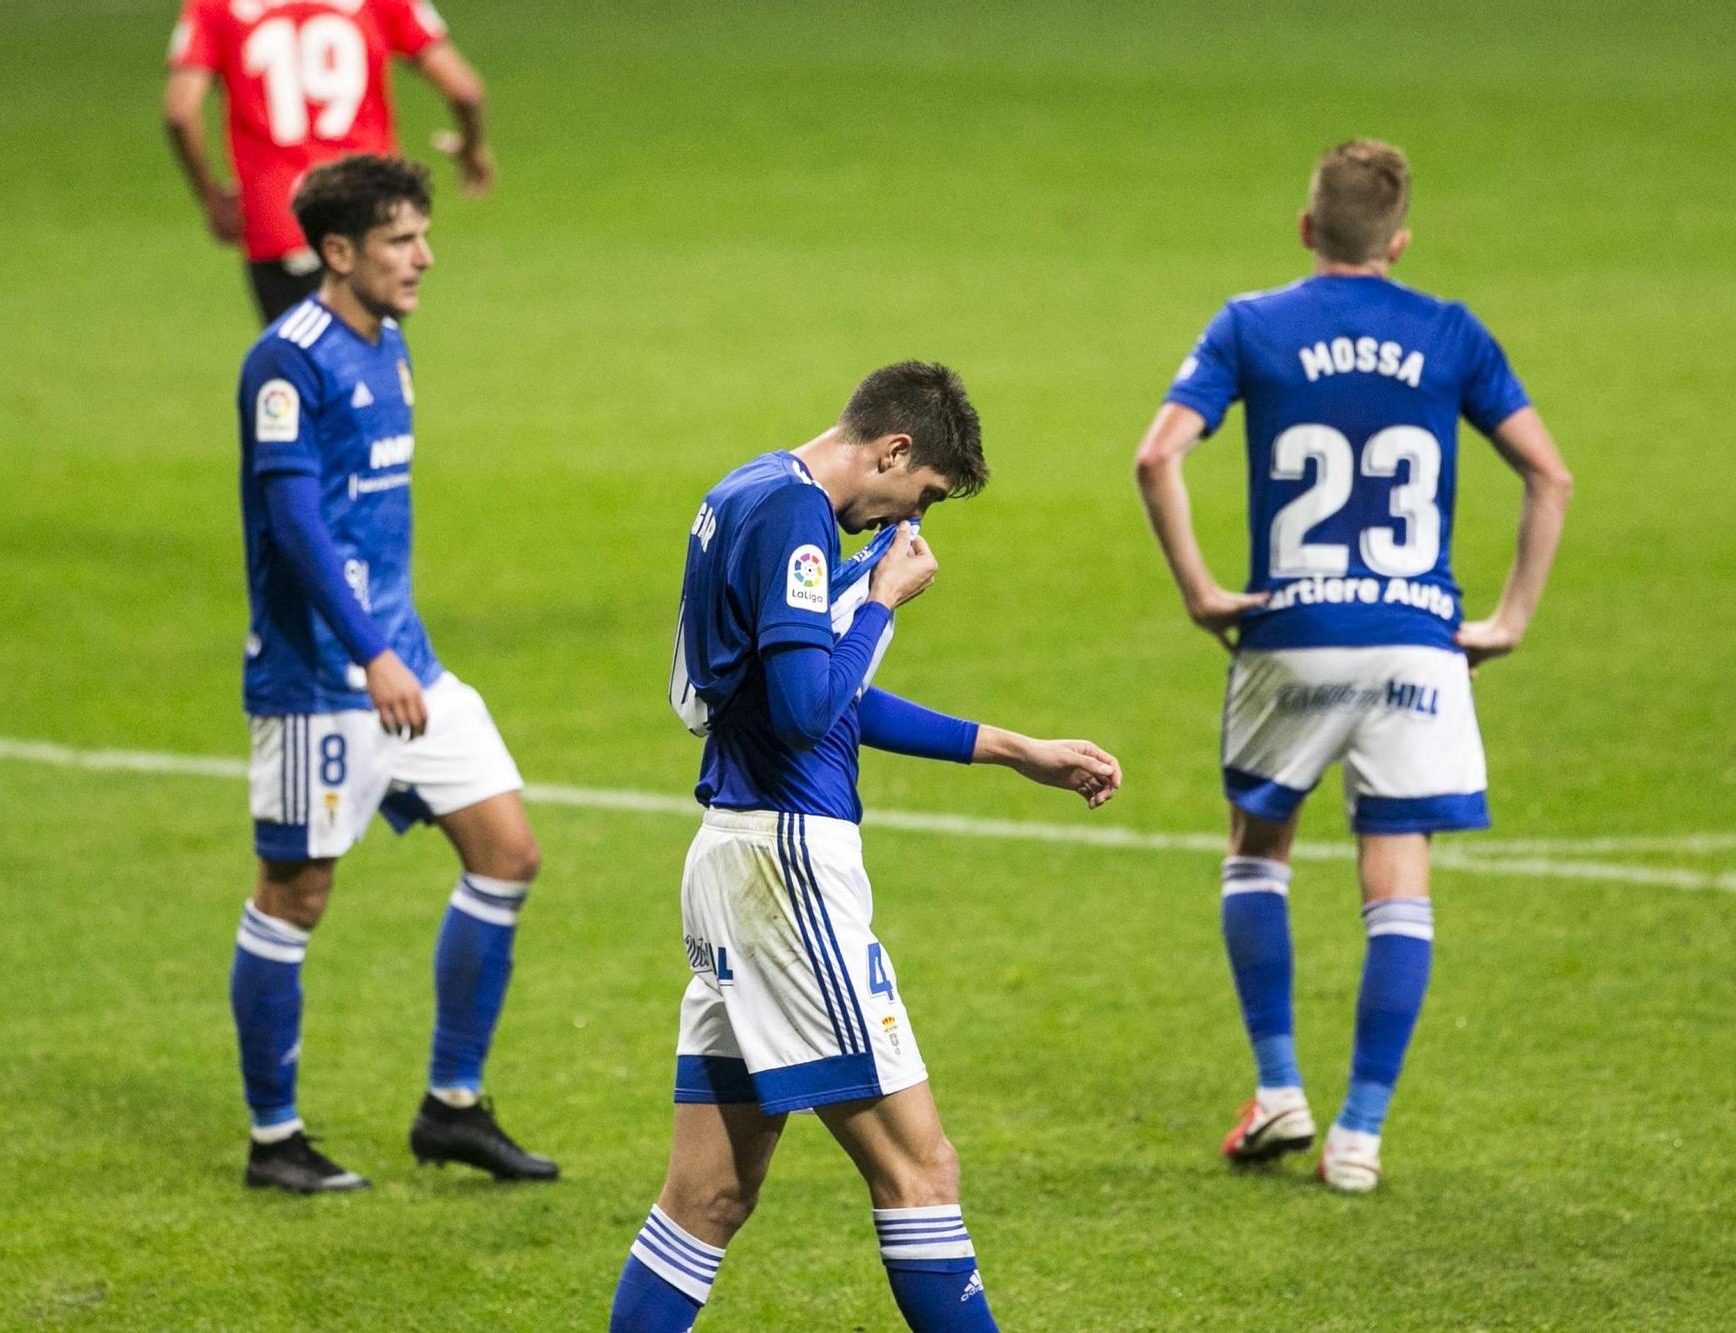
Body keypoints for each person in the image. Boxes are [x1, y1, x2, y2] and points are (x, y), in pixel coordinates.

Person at [612, 363, 1124, 1331]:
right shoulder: (794, 518)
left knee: (706, 1201)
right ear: (892, 450)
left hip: (733, 861)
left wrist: (1013, 750)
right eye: (920, 492)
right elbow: (809, 715)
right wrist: (881, 600)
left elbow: (809, 694)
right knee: (920, 1170)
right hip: (787, 870)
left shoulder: (743, 490)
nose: (907, 517)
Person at [1132, 139, 1573, 1192]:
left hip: (1290, 633)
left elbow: (1156, 454)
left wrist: (1200, 591)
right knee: (1397, 875)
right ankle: (1359, 1136)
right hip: (1417, 638)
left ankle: (1277, 1084)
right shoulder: (1449, 332)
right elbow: (1547, 475)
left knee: (1256, 847)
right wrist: (1506, 617)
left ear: (1304, 228)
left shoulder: (1248, 324)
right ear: (1399, 240)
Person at [230, 154, 555, 1193]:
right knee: (296, 894)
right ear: (337, 252)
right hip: (320, 678)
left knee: (506, 852)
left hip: (405, 663)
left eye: (421, 234)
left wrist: (391, 646)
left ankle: (449, 1106)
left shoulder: (392, 345)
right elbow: (294, 523)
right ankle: (273, 1138)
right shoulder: (288, 363)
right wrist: (366, 651)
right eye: (399, 241)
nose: (423, 255)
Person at [163, 0, 493, 323]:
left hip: (281, 219)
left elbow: (180, 112)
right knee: (372, 365)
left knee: (302, 367)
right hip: (374, 215)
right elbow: (466, 92)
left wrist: (211, 197)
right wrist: (472, 148)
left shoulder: (213, 6)